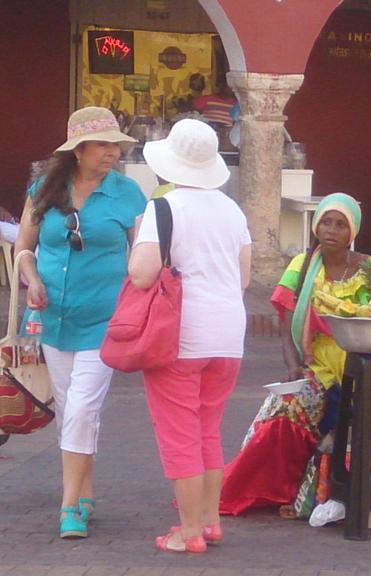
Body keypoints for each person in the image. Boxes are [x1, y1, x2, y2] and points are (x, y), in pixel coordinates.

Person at [218, 193, 371, 518]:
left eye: (340, 224)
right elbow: (285, 326)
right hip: (319, 367)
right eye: (325, 222)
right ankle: (276, 489)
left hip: (368, 367)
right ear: (315, 226)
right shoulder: (303, 267)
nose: (331, 230)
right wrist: (294, 368)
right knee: (285, 411)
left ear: (353, 232)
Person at [14, 106, 145, 539]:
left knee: (84, 406)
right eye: (104, 145)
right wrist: (32, 279)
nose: (112, 153)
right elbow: (24, 250)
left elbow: (144, 255)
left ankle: (69, 505)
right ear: (78, 150)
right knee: (72, 408)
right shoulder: (43, 190)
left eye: (116, 145)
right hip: (51, 318)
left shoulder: (128, 195)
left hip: (104, 319)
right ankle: (84, 490)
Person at [128, 119, 252, 553]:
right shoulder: (233, 210)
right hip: (228, 333)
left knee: (179, 433)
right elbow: (243, 276)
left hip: (178, 337)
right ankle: (210, 520)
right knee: (208, 430)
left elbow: (141, 274)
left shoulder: (164, 209)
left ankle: (189, 532)